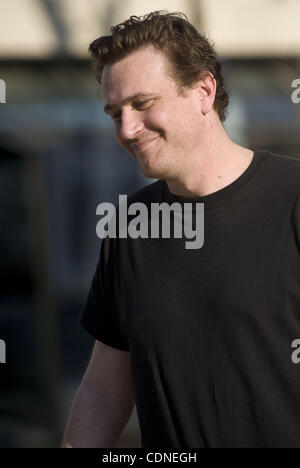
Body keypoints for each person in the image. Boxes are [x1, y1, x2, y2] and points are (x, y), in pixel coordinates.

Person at [62, 11, 300, 448]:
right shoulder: (129, 227)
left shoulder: (293, 198)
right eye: (115, 113)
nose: (127, 129)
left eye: (142, 103)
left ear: (203, 91)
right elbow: (105, 389)